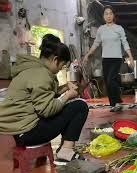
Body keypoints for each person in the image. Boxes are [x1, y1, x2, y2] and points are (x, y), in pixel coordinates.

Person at [0, 34, 89, 162]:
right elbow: (47, 110)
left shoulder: (32, 68)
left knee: (70, 105)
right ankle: (66, 150)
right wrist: (68, 96)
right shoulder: (41, 75)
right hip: (28, 132)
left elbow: (45, 94)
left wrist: (64, 88)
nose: (59, 70)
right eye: (61, 65)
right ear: (55, 59)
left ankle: (64, 148)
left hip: (20, 130)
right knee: (79, 106)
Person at [83, 5, 134, 112]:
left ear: (114, 15)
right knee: (107, 81)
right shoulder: (101, 29)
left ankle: (118, 102)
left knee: (111, 80)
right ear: (103, 16)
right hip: (106, 59)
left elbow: (125, 43)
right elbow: (96, 44)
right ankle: (113, 104)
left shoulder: (119, 28)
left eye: (110, 13)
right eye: (106, 14)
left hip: (116, 59)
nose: (108, 16)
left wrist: (130, 56)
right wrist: (87, 55)